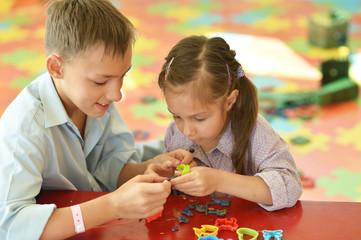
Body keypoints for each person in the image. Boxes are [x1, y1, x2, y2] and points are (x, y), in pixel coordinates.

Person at [0, 0, 193, 239]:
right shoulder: (24, 130)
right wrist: (113, 205)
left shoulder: (95, 101)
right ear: (56, 67)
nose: (117, 94)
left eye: (122, 76)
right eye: (101, 81)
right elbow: (12, 226)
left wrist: (145, 170)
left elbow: (108, 170)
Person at [157, 35, 303, 211]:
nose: (187, 130)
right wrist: (170, 176)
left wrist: (218, 180)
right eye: (176, 116)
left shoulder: (256, 132)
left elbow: (289, 187)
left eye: (199, 119)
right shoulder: (176, 133)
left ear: (229, 101)